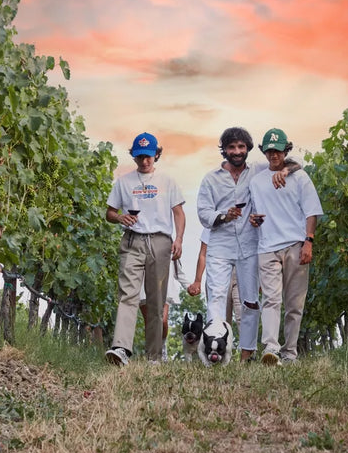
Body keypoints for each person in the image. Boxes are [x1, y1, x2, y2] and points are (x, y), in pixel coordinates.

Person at [196, 127, 294, 362]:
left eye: (241, 147)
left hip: (250, 244)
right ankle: (216, 352)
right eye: (231, 147)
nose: (237, 151)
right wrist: (223, 216)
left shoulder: (259, 170)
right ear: (225, 150)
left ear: (249, 149)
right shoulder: (211, 179)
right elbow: (203, 213)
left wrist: (287, 169)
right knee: (217, 296)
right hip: (220, 245)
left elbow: (294, 162)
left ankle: (246, 354)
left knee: (250, 300)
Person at [105, 132, 185, 366]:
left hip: (160, 242)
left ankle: (154, 356)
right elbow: (109, 213)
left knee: (156, 301)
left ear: (156, 155)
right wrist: (120, 218)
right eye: (140, 157)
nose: (145, 161)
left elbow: (179, 213)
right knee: (127, 294)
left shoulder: (168, 182)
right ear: (134, 156)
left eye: (149, 156)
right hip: (133, 241)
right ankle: (121, 348)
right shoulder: (123, 182)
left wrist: (178, 239)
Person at [249, 128, 323, 366]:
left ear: (285, 151)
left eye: (278, 150)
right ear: (264, 151)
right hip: (267, 247)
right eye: (269, 150)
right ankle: (270, 348)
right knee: (271, 300)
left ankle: (290, 353)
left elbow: (312, 211)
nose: (273, 155)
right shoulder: (256, 181)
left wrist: (308, 242)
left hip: (295, 244)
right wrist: (253, 218)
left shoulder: (300, 177)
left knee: (294, 303)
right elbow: (255, 210)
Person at [187, 227, 241, 326]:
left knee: (243, 316)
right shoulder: (213, 222)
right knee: (220, 319)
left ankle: (247, 342)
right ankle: (219, 340)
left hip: (241, 273)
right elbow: (203, 254)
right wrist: (197, 280)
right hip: (218, 273)